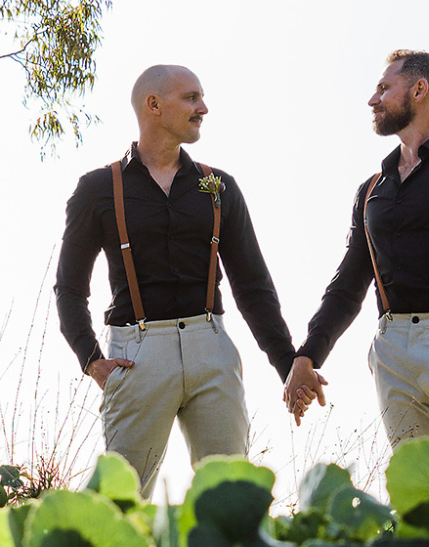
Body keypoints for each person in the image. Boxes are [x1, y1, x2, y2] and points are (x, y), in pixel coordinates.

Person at [55, 64, 298, 489]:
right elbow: (69, 288)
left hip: (212, 349)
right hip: (137, 353)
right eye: (190, 98)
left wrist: (288, 365)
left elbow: (253, 287)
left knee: (231, 497)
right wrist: (93, 362)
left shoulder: (220, 187)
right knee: (122, 501)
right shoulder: (98, 189)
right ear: (154, 105)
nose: (203, 107)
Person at [285, 50, 429, 484]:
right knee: (419, 502)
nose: (373, 100)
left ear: (419, 90)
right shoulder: (372, 189)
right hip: (392, 352)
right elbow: (348, 284)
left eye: (383, 88)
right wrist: (308, 355)